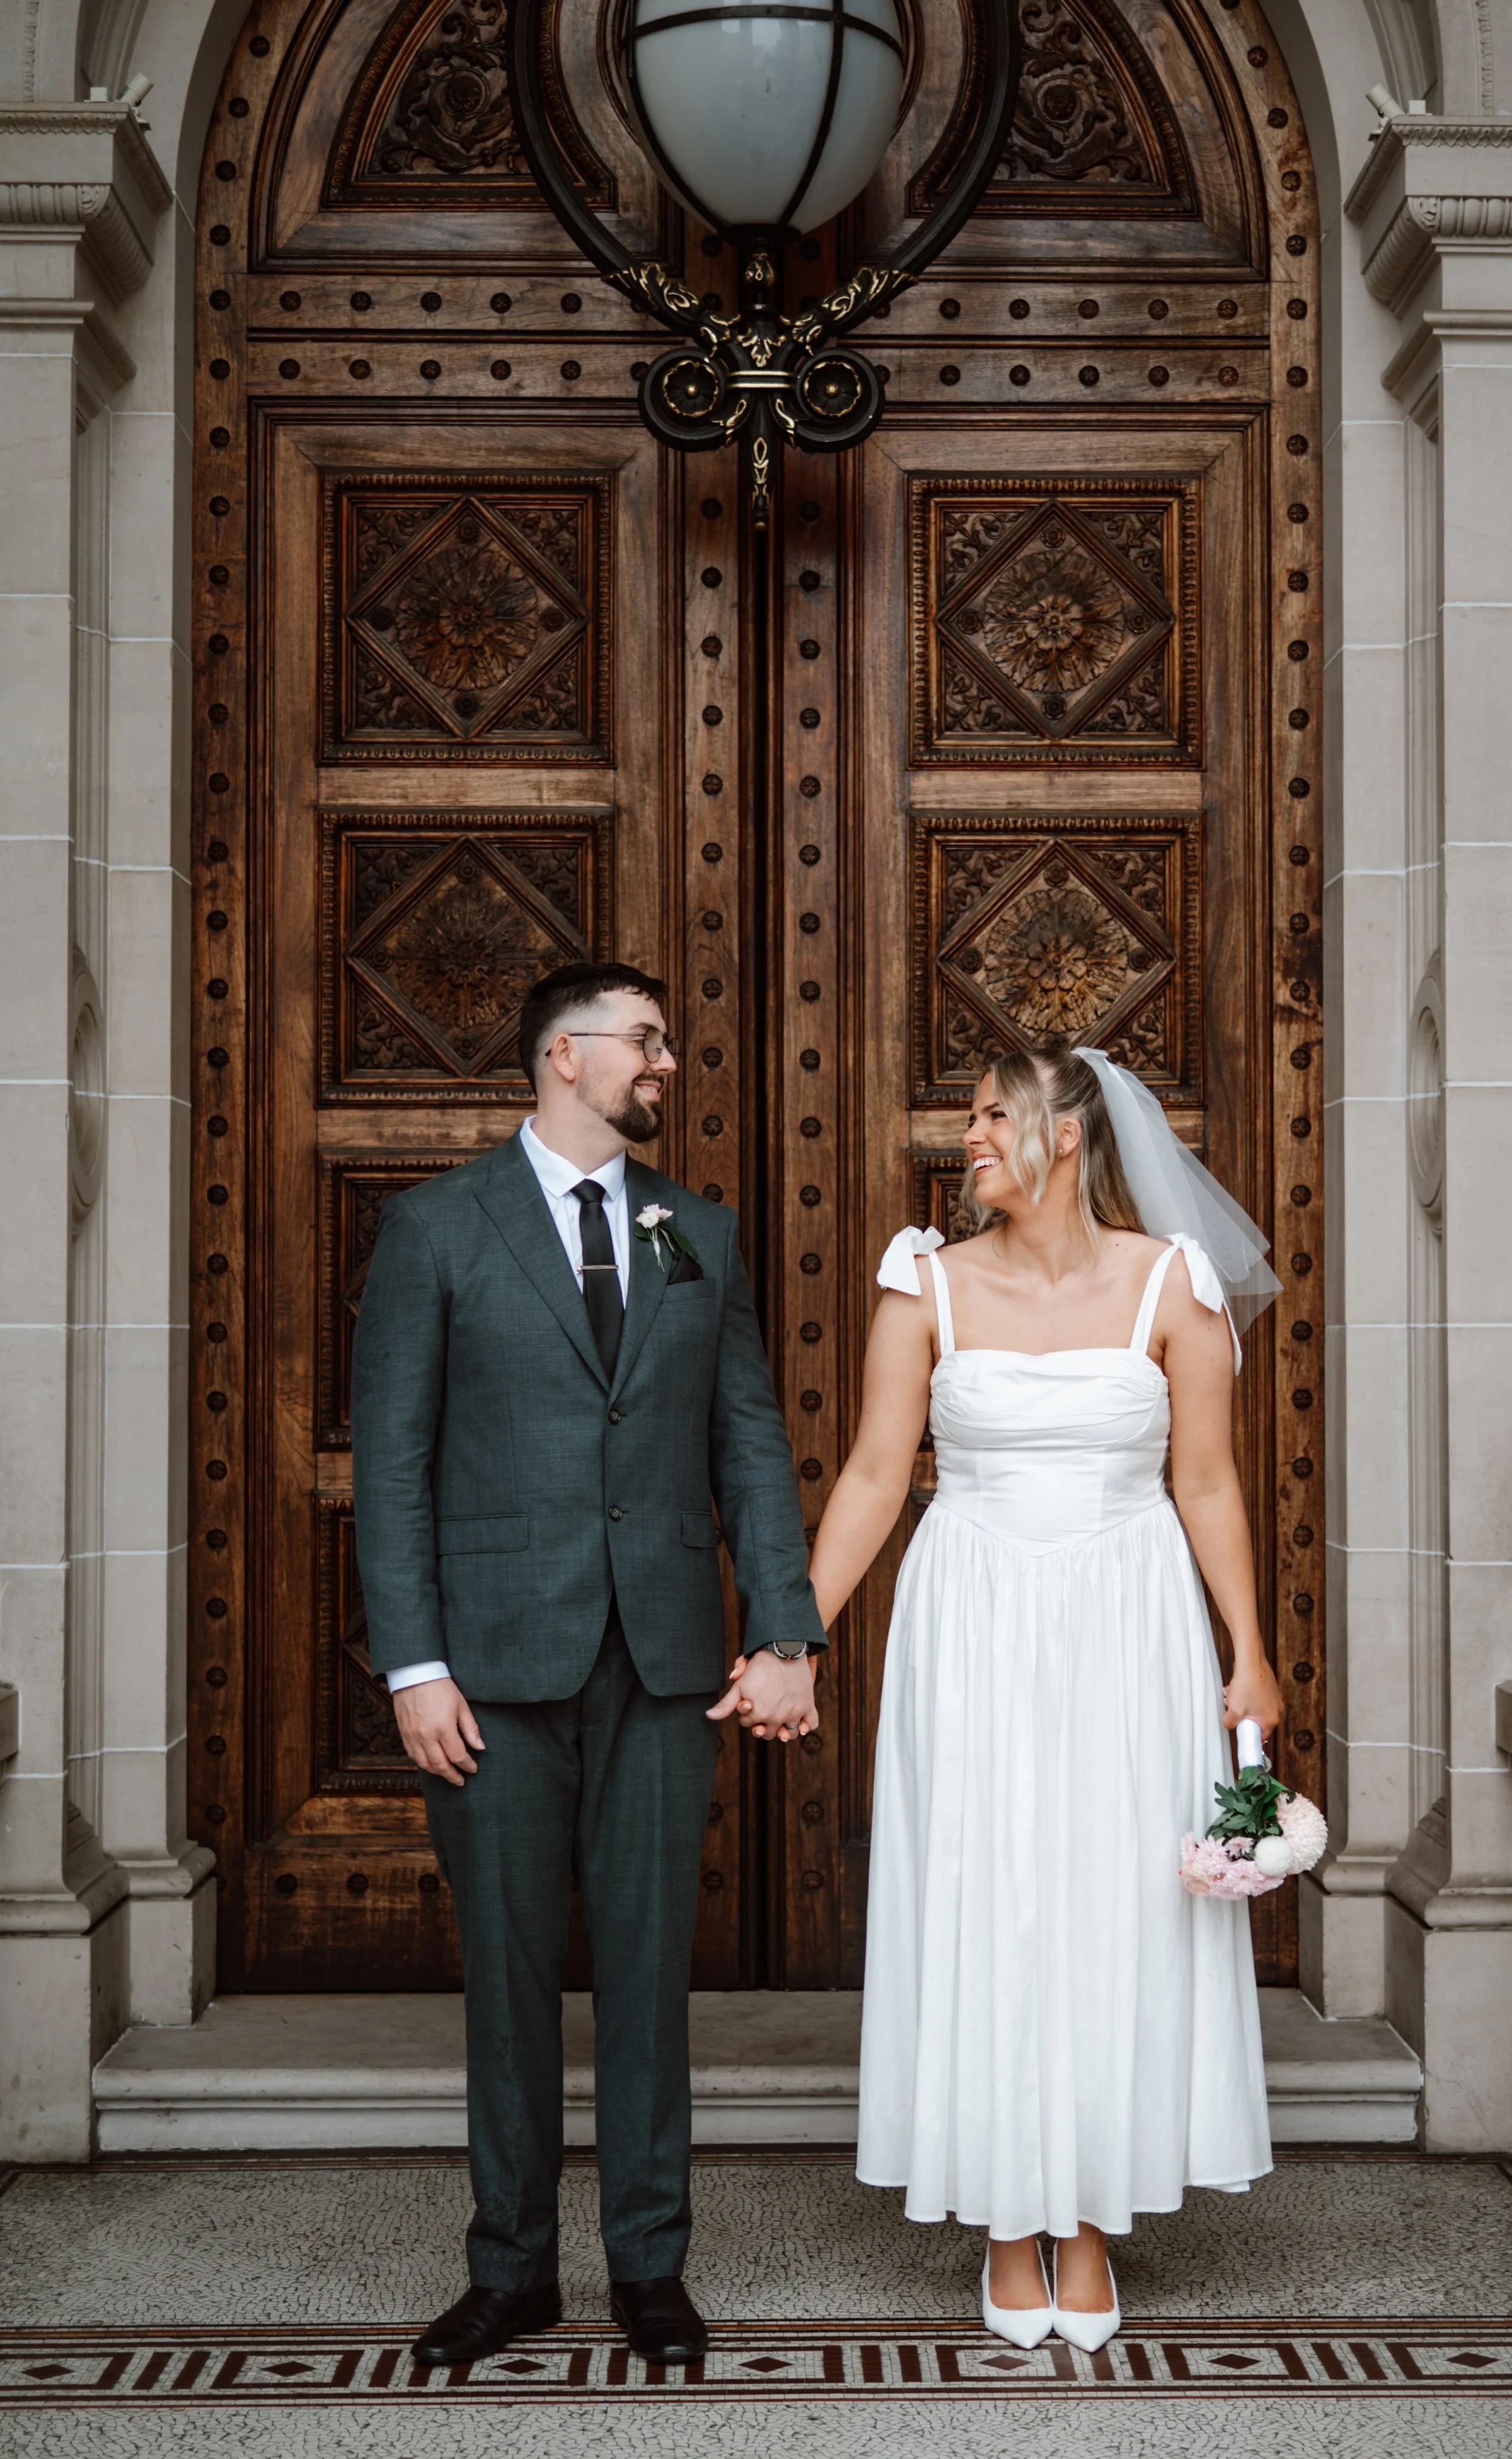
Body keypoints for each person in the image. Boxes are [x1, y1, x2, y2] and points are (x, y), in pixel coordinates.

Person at [351, 959, 823, 2369]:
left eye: (666, 1045)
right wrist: (413, 1665)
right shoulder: (436, 1227)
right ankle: (508, 2269)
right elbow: (394, 1468)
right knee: (504, 1976)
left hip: (666, 1659)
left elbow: (745, 1437)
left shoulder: (696, 1232)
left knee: (645, 1972)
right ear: (563, 1053)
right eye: (646, 1042)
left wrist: (783, 1625)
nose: (665, 1065)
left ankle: (645, 2265)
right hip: (488, 1666)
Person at [804, 1041, 1283, 2351]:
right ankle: (1008, 2219)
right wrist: (793, 1634)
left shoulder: (1170, 1286)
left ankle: (1085, 2216)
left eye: (986, 1117)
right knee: (992, 1891)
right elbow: (867, 1476)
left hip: (1128, 1625)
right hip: (971, 1624)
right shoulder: (925, 1285)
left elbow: (1206, 1482)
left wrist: (1246, 1645)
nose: (964, 1139)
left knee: (1108, 1902)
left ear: (1062, 1136)